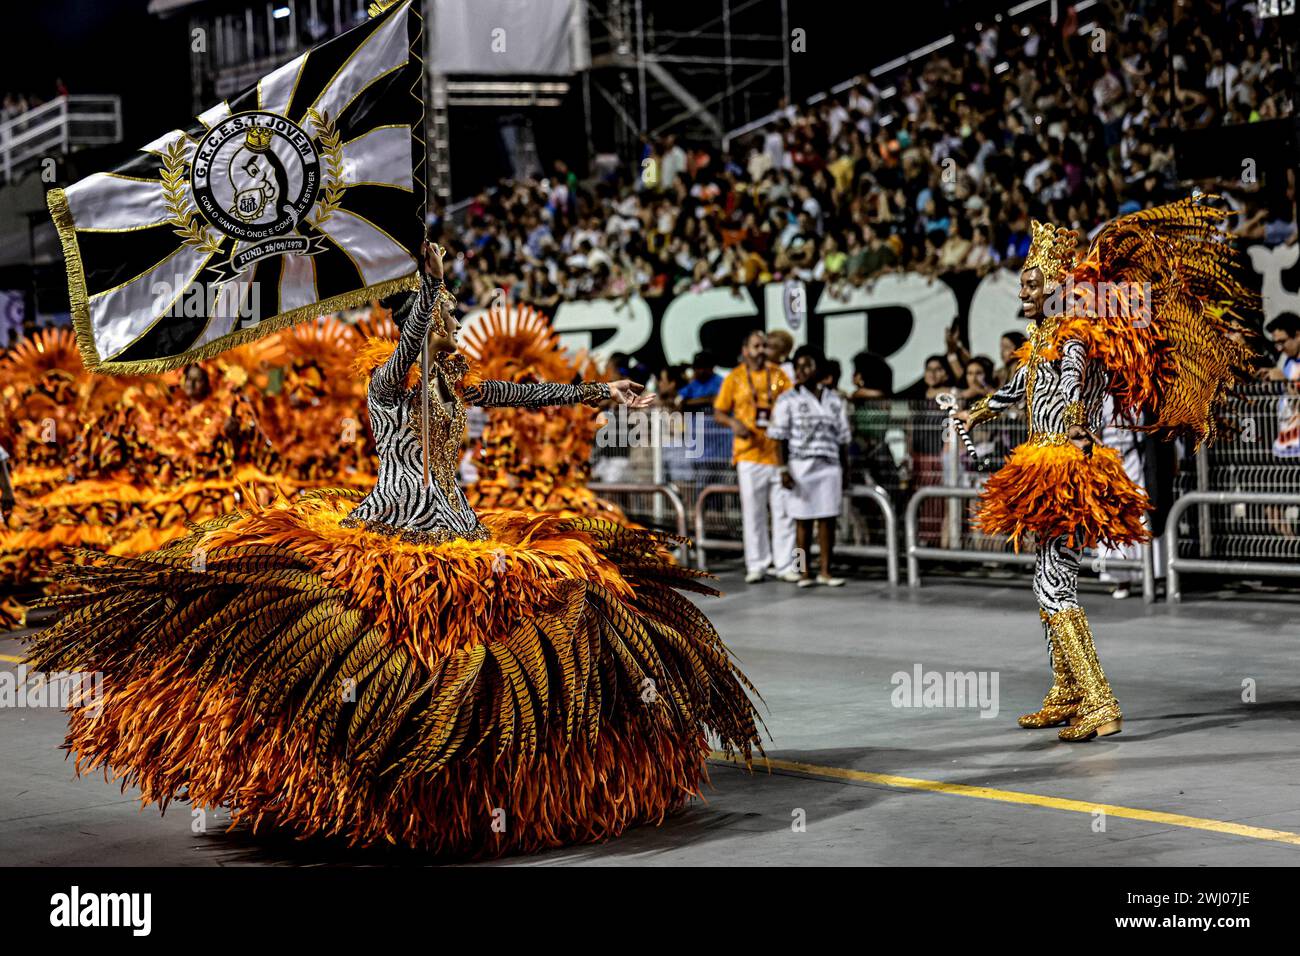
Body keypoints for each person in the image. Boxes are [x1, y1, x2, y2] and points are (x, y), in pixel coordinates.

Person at [28, 240, 762, 857]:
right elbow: (410, 341)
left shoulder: (454, 385)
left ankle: (483, 790)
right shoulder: (389, 383)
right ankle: (366, 778)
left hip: (461, 529)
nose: (451, 328)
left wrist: (603, 394)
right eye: (442, 319)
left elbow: (523, 396)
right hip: (398, 523)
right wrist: (428, 285)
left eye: (449, 318)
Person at [958, 199, 1259, 741]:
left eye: (1031, 284)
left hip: (1066, 465)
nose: (1022, 293)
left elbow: (1071, 380)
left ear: (1054, 285)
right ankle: (1067, 690)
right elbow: (1020, 387)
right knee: (1047, 578)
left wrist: (1074, 424)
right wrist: (976, 411)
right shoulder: (1042, 340)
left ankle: (1099, 701)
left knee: (1056, 587)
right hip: (1048, 461)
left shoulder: (1074, 334)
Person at [714, 330, 796, 583]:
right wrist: (733, 423)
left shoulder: (780, 376)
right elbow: (719, 412)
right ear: (746, 349)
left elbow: (792, 402)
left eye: (765, 346)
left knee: (784, 512)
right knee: (753, 513)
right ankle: (757, 564)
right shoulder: (735, 378)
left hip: (778, 455)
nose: (761, 350)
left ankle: (785, 565)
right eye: (757, 346)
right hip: (748, 456)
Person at [769, 345, 851, 588]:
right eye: (797, 367)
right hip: (799, 468)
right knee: (802, 523)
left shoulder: (835, 400)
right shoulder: (787, 400)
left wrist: (846, 470)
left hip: (829, 467)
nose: (800, 371)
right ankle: (802, 571)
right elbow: (778, 438)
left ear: (819, 368)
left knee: (828, 520)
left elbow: (843, 439)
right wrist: (783, 470)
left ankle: (826, 570)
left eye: (806, 365)